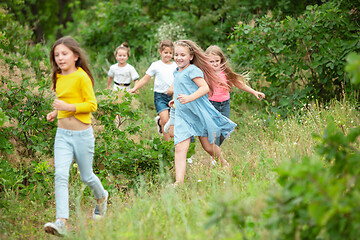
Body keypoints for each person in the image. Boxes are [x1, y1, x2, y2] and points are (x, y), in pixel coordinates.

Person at [44, 36, 108, 237]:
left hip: (82, 135)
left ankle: (102, 196)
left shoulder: (82, 77)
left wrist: (67, 108)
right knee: (60, 175)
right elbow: (64, 100)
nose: (60, 58)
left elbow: (91, 105)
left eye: (64, 54)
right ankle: (61, 221)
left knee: (86, 176)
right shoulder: (58, 77)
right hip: (62, 134)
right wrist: (56, 112)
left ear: (76, 56)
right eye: (56, 55)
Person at [170, 40, 237, 185]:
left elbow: (204, 88)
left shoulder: (193, 70)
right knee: (180, 147)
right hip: (183, 115)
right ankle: (179, 182)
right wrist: (175, 99)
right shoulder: (176, 71)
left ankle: (224, 164)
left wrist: (189, 98)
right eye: (176, 55)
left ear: (191, 57)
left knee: (208, 147)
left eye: (183, 55)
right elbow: (181, 88)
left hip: (198, 114)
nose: (179, 58)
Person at [205, 45, 265, 146]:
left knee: (225, 128)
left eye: (217, 61)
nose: (215, 64)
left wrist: (254, 91)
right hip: (211, 104)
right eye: (211, 62)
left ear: (221, 60)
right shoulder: (205, 74)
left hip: (224, 104)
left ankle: (215, 148)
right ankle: (213, 150)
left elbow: (238, 83)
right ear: (206, 61)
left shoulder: (225, 73)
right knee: (214, 129)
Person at [129, 40, 177, 141]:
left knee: (171, 122)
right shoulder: (156, 65)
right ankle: (168, 145)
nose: (168, 55)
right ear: (160, 52)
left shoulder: (175, 66)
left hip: (173, 96)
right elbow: (145, 78)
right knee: (165, 120)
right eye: (165, 52)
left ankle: (159, 122)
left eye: (170, 53)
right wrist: (134, 88)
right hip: (160, 97)